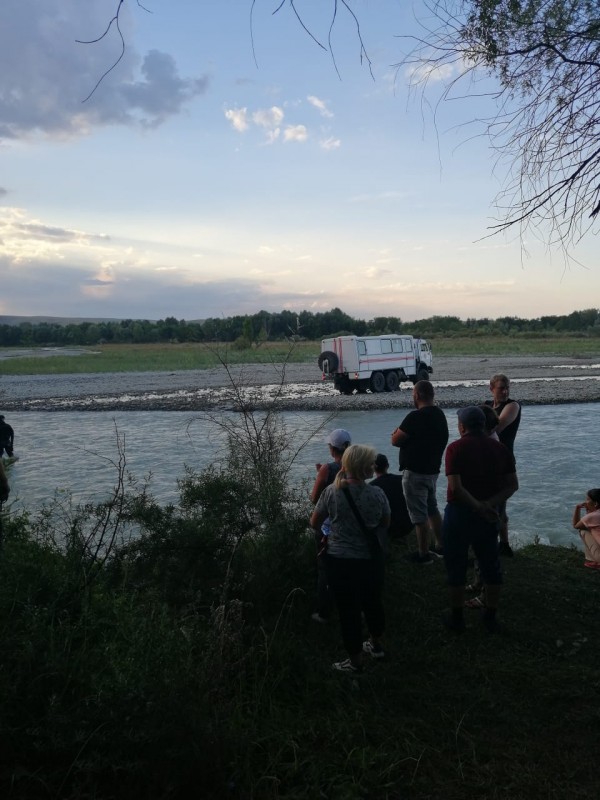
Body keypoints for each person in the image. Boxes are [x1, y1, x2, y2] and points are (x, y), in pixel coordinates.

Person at [310, 444, 390, 673]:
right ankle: (376, 645)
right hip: (371, 560)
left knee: (348, 611)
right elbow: (385, 523)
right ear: (366, 467)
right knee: (373, 602)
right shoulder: (377, 493)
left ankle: (355, 662)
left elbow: (314, 523)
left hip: (340, 561)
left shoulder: (331, 492)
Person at [442, 406, 518, 634]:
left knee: (456, 565)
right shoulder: (500, 448)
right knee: (490, 564)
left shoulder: (455, 449)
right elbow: (512, 485)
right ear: (484, 424)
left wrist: (477, 506)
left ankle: (457, 618)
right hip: (490, 514)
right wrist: (488, 504)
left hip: (460, 513)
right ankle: (490, 617)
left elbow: (456, 488)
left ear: (462, 427)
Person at [391, 380, 449, 564]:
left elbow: (395, 440)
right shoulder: (440, 415)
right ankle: (441, 545)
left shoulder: (415, 417)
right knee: (432, 509)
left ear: (416, 395)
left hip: (415, 472)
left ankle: (423, 554)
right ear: (432, 395)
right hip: (433, 471)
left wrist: (396, 433)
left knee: (419, 515)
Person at [309, 428, 352, 623]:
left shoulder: (328, 469)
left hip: (328, 527)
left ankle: (324, 612)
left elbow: (314, 498)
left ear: (332, 448)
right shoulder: (356, 466)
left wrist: (320, 475)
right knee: (350, 566)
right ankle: (350, 605)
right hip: (351, 525)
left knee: (325, 568)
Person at [485, 374, 521, 556]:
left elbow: (498, 426)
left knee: (499, 503)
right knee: (496, 503)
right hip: (487, 459)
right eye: (501, 388)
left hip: (503, 461)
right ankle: (502, 544)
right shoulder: (486, 405)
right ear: (491, 388)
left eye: (507, 387)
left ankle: (501, 544)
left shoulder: (513, 406)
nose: (505, 391)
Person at [370, 453, 413, 539]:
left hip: (389, 529)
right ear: (388, 465)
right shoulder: (402, 479)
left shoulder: (371, 487)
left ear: (373, 468)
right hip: (409, 524)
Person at [572, 489, 600, 569]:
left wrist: (577, 508)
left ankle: (595, 561)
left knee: (583, 530)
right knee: (590, 528)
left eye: (588, 499)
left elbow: (576, 525)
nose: (585, 502)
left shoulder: (593, 516)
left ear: (595, 503)